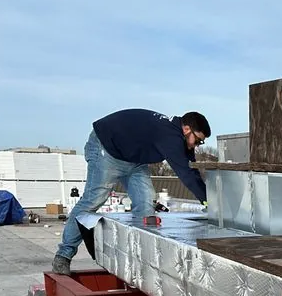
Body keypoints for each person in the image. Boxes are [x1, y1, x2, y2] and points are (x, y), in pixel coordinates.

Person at [52, 109, 211, 274]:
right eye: (198, 140)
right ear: (186, 130)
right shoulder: (170, 136)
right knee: (93, 200)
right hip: (106, 149)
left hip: (133, 161)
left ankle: (139, 262)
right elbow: (185, 174)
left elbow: (191, 168)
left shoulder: (180, 136)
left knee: (145, 205)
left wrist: (208, 198)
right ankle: (63, 255)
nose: (196, 145)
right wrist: (208, 202)